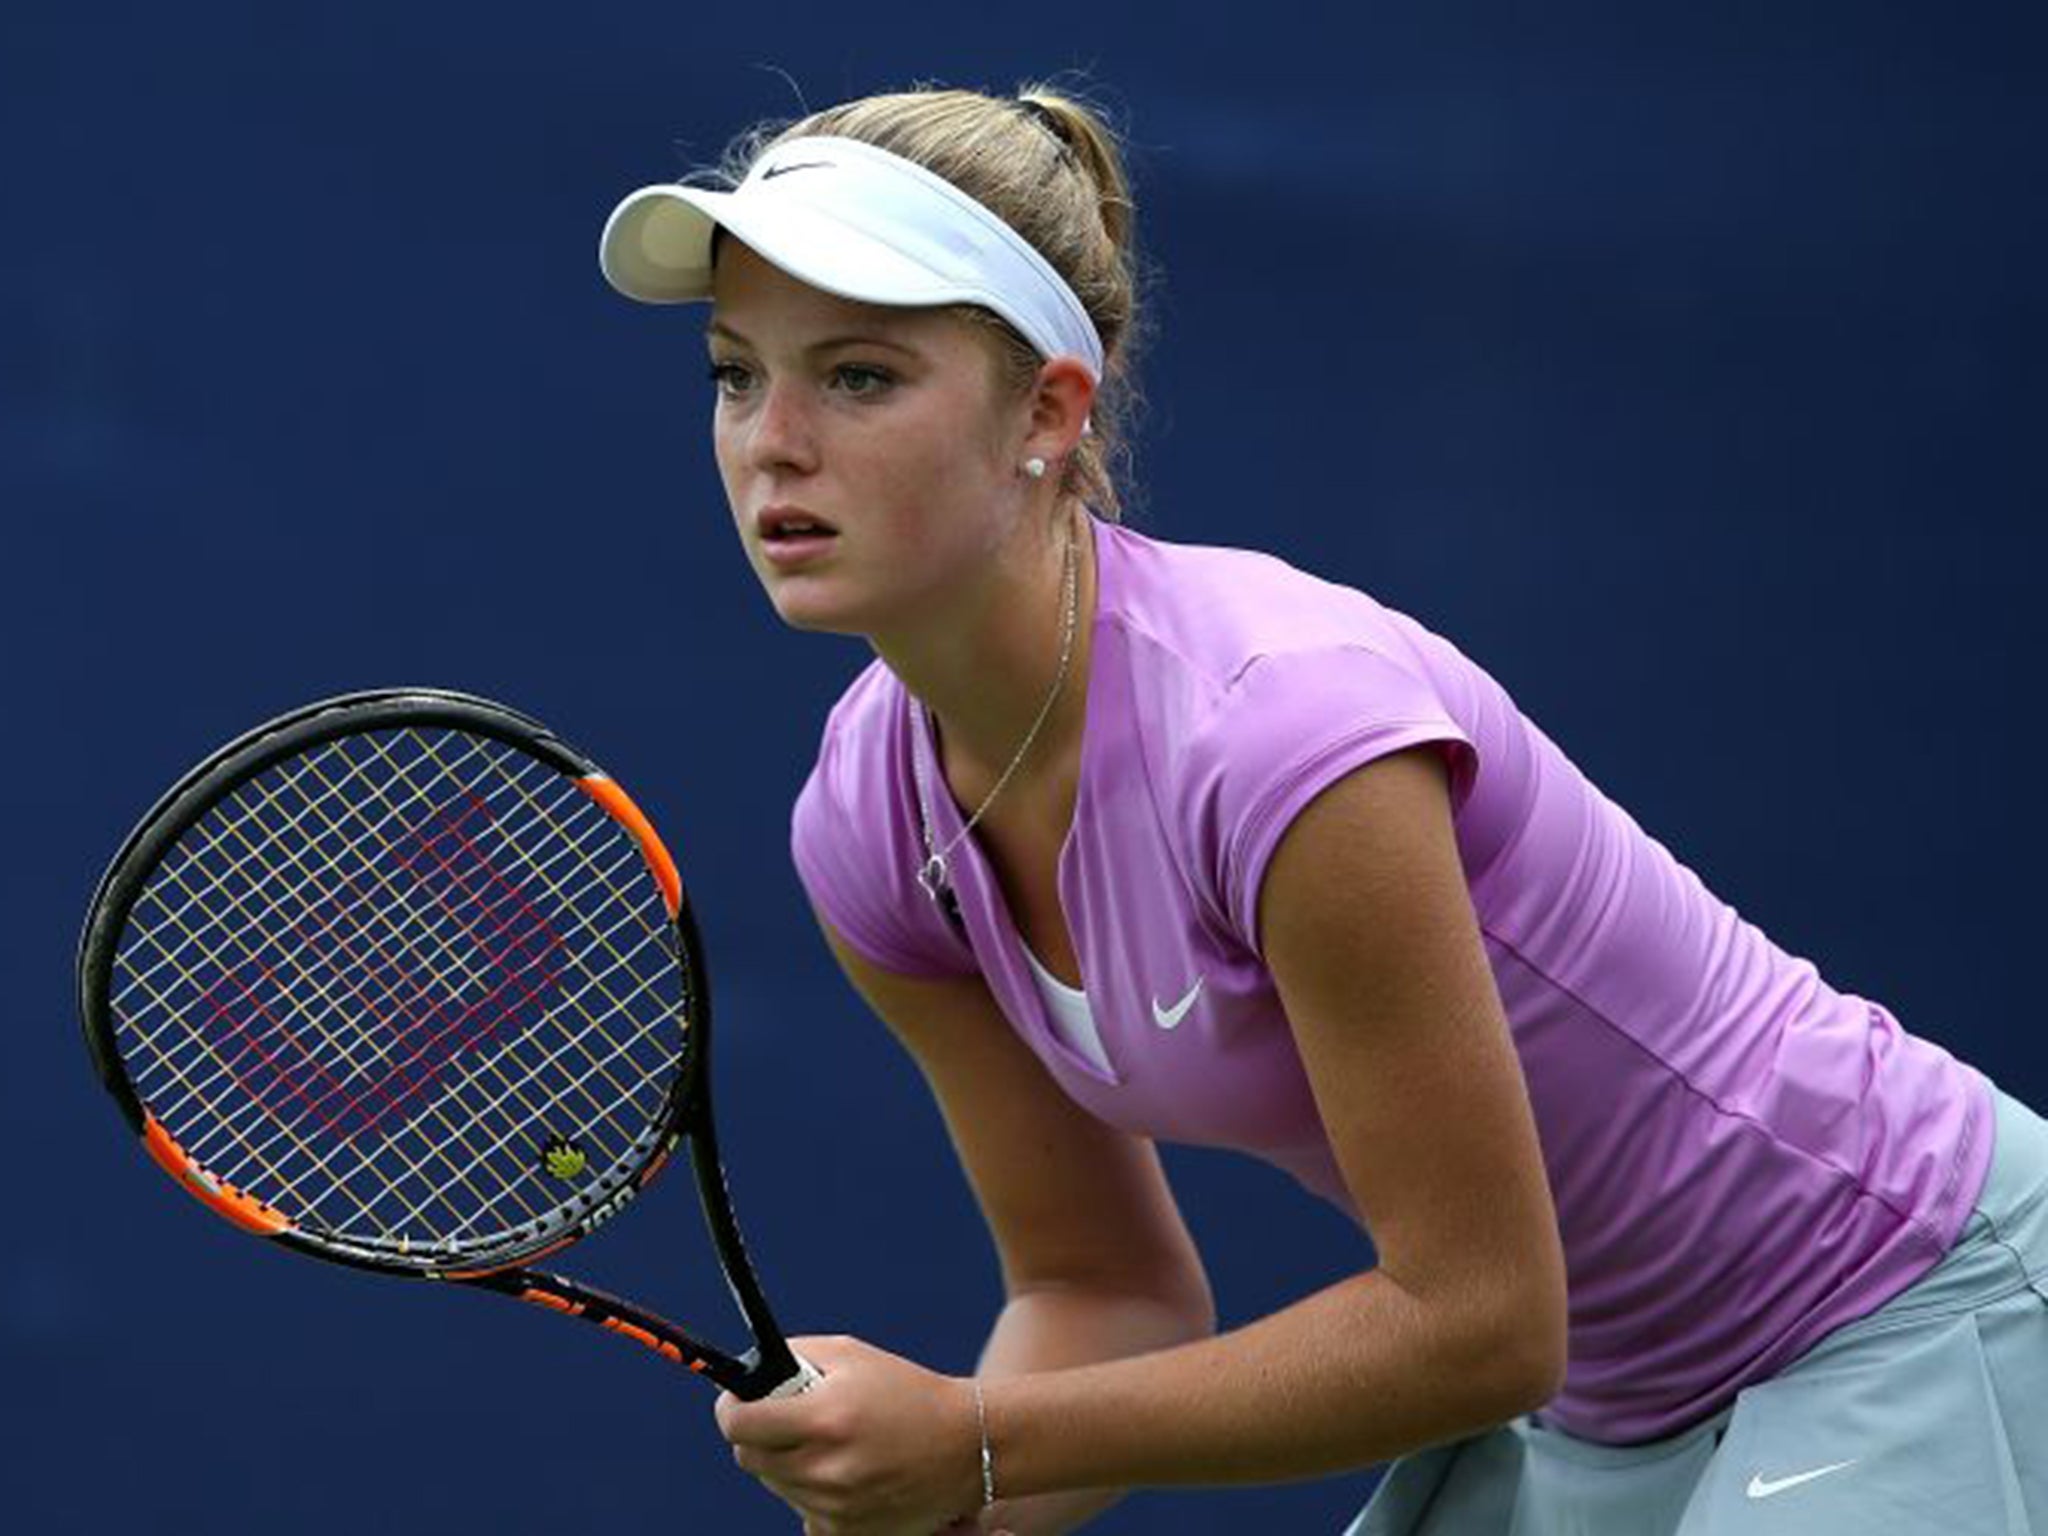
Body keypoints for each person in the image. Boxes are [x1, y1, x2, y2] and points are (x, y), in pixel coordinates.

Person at [596, 82, 2048, 1536]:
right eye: (735, 373)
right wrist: (942, 1499)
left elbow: (1477, 1320)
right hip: (1604, 1412)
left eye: (855, 377)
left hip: (1910, 1296)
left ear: (1047, 408)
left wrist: (972, 1438)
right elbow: (1101, 1293)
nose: (771, 441)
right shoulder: (872, 827)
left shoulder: (1281, 728)